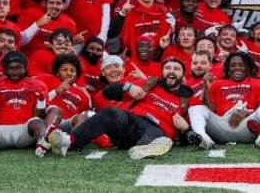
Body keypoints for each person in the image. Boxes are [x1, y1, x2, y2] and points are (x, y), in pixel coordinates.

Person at [47, 57, 193, 159]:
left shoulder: (187, 98)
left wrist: (186, 129)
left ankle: (147, 148)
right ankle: (69, 141)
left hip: (157, 129)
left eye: (176, 69)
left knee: (157, 135)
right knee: (111, 112)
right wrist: (127, 86)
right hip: (132, 122)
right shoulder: (150, 83)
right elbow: (107, 92)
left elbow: (192, 137)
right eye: (168, 68)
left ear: (183, 74)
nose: (171, 71)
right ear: (162, 72)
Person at [186, 52, 260, 149]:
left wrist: (246, 113)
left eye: (241, 65)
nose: (237, 68)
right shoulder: (217, 83)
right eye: (233, 65)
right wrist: (206, 88)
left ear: (248, 67)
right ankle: (203, 138)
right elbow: (210, 111)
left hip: (247, 126)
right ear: (228, 68)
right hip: (222, 125)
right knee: (195, 108)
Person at [0, 51, 50, 154]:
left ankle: (42, 144)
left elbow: (39, 116)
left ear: (25, 68)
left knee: (37, 122)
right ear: (4, 70)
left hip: (24, 131)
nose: (14, 72)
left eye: (18, 68)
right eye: (11, 68)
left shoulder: (38, 85)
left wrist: (41, 100)